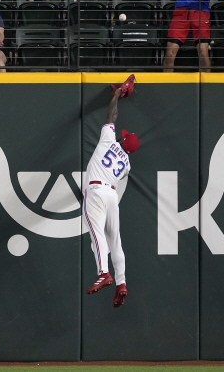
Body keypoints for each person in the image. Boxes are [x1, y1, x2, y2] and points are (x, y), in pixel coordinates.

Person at [84, 79, 139, 309]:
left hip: (96, 191)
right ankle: (121, 283)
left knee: (96, 235)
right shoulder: (127, 164)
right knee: (115, 241)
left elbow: (111, 116)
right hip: (111, 196)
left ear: (121, 139)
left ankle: (104, 273)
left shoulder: (108, 141)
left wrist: (116, 95)